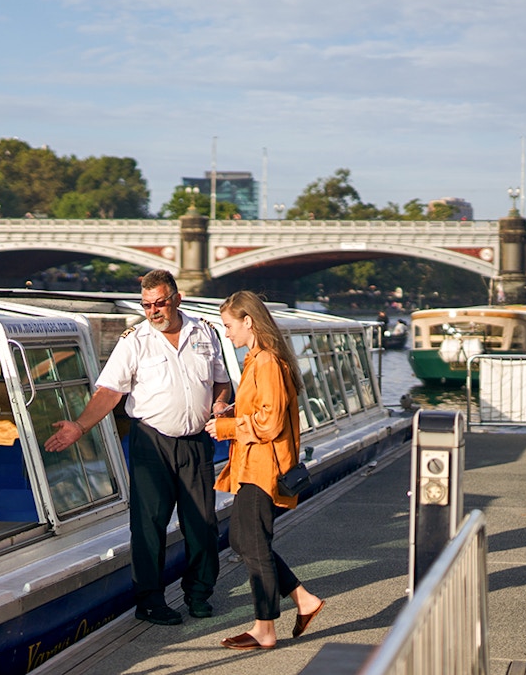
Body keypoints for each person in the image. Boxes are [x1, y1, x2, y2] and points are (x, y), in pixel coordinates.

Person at [44, 269, 232, 626]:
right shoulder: (135, 341)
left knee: (202, 523)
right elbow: (110, 392)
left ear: (177, 299)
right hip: (152, 442)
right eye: (147, 305)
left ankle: (199, 594)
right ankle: (150, 601)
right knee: (149, 525)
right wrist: (80, 426)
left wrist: (221, 405)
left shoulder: (205, 333)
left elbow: (222, 383)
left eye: (160, 303)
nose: (153, 311)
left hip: (196, 444)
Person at [206, 290, 324, 651]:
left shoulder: (268, 362)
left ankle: (265, 628)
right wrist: (232, 412)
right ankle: (303, 599)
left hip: (264, 468)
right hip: (250, 467)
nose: (227, 334)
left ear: (249, 322)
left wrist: (225, 428)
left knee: (252, 543)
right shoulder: (256, 359)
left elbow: (269, 423)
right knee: (243, 540)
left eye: (229, 326)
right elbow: (261, 411)